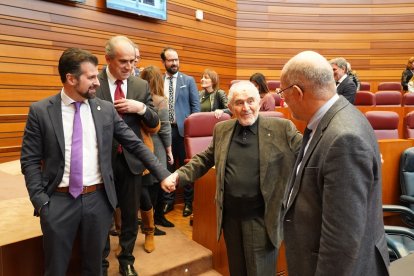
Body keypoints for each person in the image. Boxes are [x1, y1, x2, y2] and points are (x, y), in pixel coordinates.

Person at [20, 47, 172, 276]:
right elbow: (30, 160)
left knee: (95, 267)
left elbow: (135, 144)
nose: (97, 83)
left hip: (98, 201)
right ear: (70, 79)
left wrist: (163, 174)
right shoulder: (41, 111)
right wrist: (40, 201)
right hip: (58, 201)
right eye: (91, 77)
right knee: (56, 269)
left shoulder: (105, 110)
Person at [163, 81, 302, 276]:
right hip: (230, 219)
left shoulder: (282, 128)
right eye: (239, 103)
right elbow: (204, 159)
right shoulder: (222, 129)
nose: (246, 108)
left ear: (259, 102)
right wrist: (179, 175)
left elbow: (308, 154)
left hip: (262, 220)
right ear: (230, 108)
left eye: (251, 101)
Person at [280, 50, 390, 276]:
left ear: (298, 92)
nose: (284, 100)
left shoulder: (344, 138)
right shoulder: (330, 120)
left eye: (284, 93)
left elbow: (342, 241)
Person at [96, 36, 160, 276]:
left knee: (131, 216)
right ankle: (101, 263)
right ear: (108, 59)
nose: (129, 67)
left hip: (131, 162)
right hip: (101, 161)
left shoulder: (139, 86)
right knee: (102, 215)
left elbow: (155, 121)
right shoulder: (95, 82)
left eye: (132, 61)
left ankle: (126, 260)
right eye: (123, 61)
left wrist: (140, 108)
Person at [160, 47, 200, 218]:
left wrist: (192, 129)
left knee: (186, 167)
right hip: (165, 131)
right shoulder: (159, 81)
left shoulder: (188, 80)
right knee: (167, 167)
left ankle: (189, 203)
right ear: (164, 62)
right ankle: (168, 201)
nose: (175, 63)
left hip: (184, 132)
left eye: (176, 59)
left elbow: (195, 107)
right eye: (170, 60)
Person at [139, 65, 175, 249]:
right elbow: (165, 128)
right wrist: (169, 151)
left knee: (145, 183)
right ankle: (151, 224)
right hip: (157, 146)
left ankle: (147, 221)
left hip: (139, 145)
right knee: (154, 184)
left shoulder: (137, 98)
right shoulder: (160, 100)